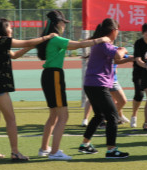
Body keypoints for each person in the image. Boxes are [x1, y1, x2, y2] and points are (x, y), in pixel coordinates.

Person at [36, 10, 110, 160]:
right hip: (54, 75)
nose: (64, 25)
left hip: (49, 75)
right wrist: (100, 39)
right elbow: (78, 45)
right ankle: (54, 152)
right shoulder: (56, 38)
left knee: (54, 116)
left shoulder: (53, 38)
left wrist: (95, 39)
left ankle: (45, 148)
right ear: (57, 24)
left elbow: (78, 44)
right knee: (63, 116)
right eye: (63, 22)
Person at [0, 18, 55, 162]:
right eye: (10, 27)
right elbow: (26, 42)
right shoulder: (3, 40)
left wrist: (33, 45)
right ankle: (15, 152)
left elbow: (14, 55)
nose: (11, 30)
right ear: (3, 29)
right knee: (11, 119)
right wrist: (46, 37)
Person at [78, 18, 130, 158]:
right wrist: (124, 49)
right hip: (98, 85)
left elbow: (117, 58)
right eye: (118, 30)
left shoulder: (103, 43)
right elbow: (119, 54)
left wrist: (132, 58)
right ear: (113, 31)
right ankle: (111, 150)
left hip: (91, 85)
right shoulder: (104, 42)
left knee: (99, 115)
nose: (118, 33)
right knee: (112, 117)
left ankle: (85, 144)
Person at [130, 23, 147, 129]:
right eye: (146, 31)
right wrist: (146, 66)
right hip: (139, 73)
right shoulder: (139, 43)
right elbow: (138, 59)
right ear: (143, 33)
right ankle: (134, 115)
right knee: (139, 95)